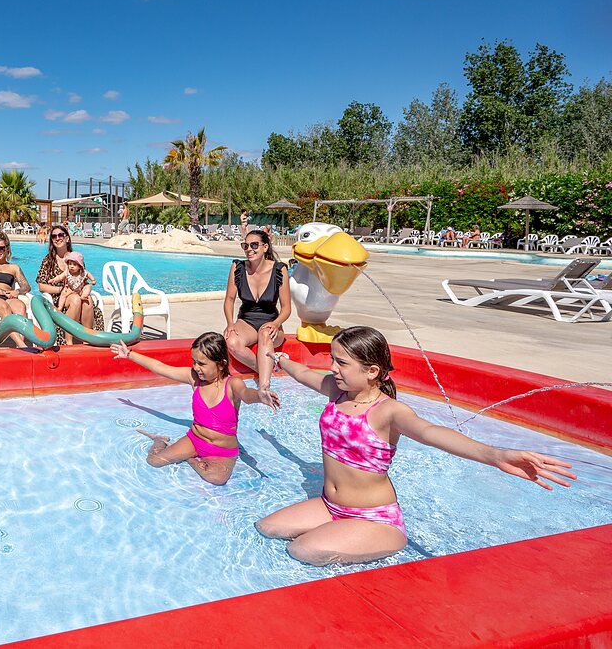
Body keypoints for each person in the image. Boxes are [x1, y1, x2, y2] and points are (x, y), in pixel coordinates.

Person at [254, 326, 575, 566]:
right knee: (267, 528)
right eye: (332, 360)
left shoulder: (388, 412)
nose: (333, 368)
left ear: (372, 371)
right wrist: (275, 356)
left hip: (372, 518)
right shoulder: (336, 392)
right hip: (330, 505)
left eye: (341, 363)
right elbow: (302, 372)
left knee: (303, 550)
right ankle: (341, 534)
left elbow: (431, 432)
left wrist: (495, 455)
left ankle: (384, 543)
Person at [113, 334, 279, 485]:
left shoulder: (232, 384)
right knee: (155, 461)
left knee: (217, 479)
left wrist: (260, 396)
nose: (196, 367)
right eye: (194, 362)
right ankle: (159, 440)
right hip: (195, 440)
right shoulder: (194, 379)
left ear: (221, 364)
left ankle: (191, 460)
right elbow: (159, 367)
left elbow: (246, 395)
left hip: (222, 450)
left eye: (201, 364)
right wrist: (129, 354)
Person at [223, 229, 290, 371]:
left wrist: (276, 323)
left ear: (265, 247)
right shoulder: (238, 268)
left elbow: (286, 308)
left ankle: (264, 386)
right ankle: (265, 370)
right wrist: (230, 323)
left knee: (265, 333)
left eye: (254, 245)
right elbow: (229, 299)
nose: (249, 249)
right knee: (232, 341)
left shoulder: (279, 270)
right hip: (246, 321)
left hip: (271, 321)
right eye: (245, 246)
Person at [36, 224, 106, 343]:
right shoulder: (48, 260)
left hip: (77, 292)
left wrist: (83, 289)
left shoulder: (76, 258)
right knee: (75, 299)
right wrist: (61, 290)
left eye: (60, 235)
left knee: (87, 300)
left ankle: (87, 339)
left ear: (67, 238)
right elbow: (41, 286)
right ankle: (68, 341)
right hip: (59, 298)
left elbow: (84, 279)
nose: (57, 238)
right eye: (54, 236)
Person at [0, 233, 32, 347]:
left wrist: (17, 292)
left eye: (1, 248)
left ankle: (19, 345)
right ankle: (22, 345)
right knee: (4, 307)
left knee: (21, 306)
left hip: (9, 297)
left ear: (7, 249)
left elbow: (27, 286)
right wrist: (3, 293)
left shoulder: (14, 268)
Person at [47, 251, 96, 316]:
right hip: (70, 289)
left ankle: (84, 295)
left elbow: (89, 275)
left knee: (88, 287)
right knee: (63, 293)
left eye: (74, 265)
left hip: (81, 289)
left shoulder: (83, 273)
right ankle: (60, 306)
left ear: (80, 266)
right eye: (70, 264)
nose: (71, 266)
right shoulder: (67, 272)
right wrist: (54, 280)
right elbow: (60, 277)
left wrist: (93, 280)